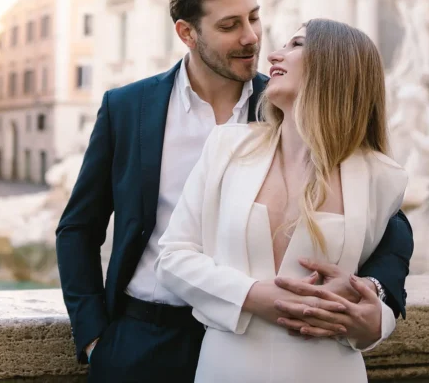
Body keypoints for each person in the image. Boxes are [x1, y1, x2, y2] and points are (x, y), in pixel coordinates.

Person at [55, 0, 414, 383]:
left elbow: (390, 228)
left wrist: (374, 296)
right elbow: (79, 226)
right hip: (144, 336)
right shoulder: (128, 108)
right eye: (230, 25)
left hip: (258, 343)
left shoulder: (289, 101)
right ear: (188, 34)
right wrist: (96, 339)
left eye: (255, 17)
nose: (252, 38)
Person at [155, 19, 407, 382]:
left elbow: (381, 276)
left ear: (335, 65)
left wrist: (376, 323)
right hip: (227, 367)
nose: (274, 53)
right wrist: (255, 296)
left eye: (296, 45)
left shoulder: (383, 176)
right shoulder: (226, 146)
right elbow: (173, 257)